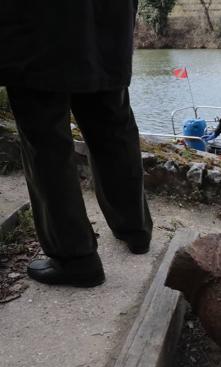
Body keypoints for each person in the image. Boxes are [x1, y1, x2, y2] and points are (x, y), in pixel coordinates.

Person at [0, 1, 153, 287]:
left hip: (36, 26)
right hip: (108, 19)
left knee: (45, 141)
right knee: (112, 122)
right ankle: (135, 229)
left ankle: (75, 258)